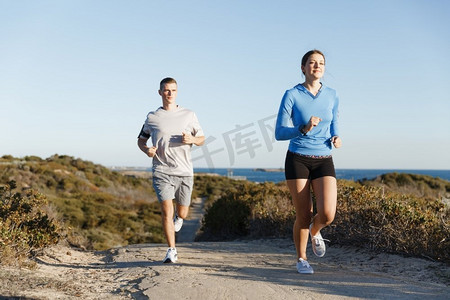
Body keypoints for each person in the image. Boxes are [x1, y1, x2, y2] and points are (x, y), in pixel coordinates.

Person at [275, 50, 342, 274]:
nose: (317, 66)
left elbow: (334, 121)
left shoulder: (332, 95)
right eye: (312, 63)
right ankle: (302, 258)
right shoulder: (292, 95)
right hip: (298, 158)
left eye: (321, 63)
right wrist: (302, 129)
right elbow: (279, 132)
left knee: (328, 214)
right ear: (303, 68)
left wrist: (336, 135)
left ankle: (315, 231)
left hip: (324, 158)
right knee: (303, 214)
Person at [137, 77, 205, 263]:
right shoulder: (152, 117)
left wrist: (192, 140)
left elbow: (201, 138)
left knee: (182, 213)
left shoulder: (189, 115)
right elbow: (141, 140)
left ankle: (179, 216)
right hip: (162, 170)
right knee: (166, 210)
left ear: (177, 92)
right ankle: (171, 250)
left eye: (173, 90)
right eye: (166, 90)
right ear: (160, 93)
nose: (169, 94)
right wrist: (146, 150)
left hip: (184, 171)